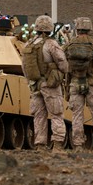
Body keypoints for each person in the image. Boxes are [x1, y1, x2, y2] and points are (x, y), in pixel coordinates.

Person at [63, 17, 93, 152]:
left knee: (77, 115)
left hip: (74, 84)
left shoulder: (69, 45)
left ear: (77, 29)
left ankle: (78, 145)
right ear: (89, 29)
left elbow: (62, 64)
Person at [21, 15, 69, 153]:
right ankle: (58, 144)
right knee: (56, 114)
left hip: (35, 85)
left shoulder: (29, 44)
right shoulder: (51, 44)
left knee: (39, 115)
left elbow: (24, 66)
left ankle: (40, 144)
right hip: (50, 84)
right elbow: (63, 63)